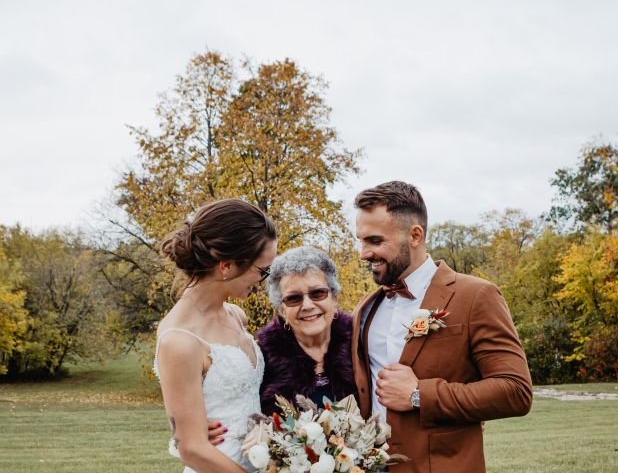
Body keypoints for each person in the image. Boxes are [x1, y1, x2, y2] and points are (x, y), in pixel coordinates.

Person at [351, 181, 532, 472]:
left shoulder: (476, 296)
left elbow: (515, 391)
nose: (363, 253)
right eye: (361, 240)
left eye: (375, 241)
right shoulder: (365, 308)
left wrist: (419, 395)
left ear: (415, 235)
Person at [154, 198, 277, 473]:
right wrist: (184, 434)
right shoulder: (180, 339)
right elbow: (192, 449)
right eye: (262, 270)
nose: (263, 280)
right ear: (227, 266)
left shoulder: (235, 315)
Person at [257, 246, 356, 415]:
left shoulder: (360, 344)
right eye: (293, 298)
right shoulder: (262, 360)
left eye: (317, 293)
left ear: (334, 299)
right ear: (282, 310)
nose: (308, 305)